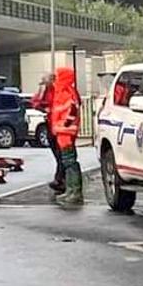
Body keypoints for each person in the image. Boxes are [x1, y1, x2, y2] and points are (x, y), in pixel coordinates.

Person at [50, 66, 83, 206]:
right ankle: (71, 191)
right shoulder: (65, 91)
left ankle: (74, 192)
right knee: (68, 163)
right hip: (63, 133)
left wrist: (65, 125)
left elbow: (72, 112)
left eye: (58, 76)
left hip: (65, 134)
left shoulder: (66, 92)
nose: (55, 79)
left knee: (70, 163)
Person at [32, 74, 64, 192]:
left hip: (60, 127)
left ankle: (60, 179)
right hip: (51, 125)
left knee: (62, 155)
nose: (43, 83)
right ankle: (60, 179)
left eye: (44, 81)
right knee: (57, 154)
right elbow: (35, 102)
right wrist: (41, 92)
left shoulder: (59, 90)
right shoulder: (46, 91)